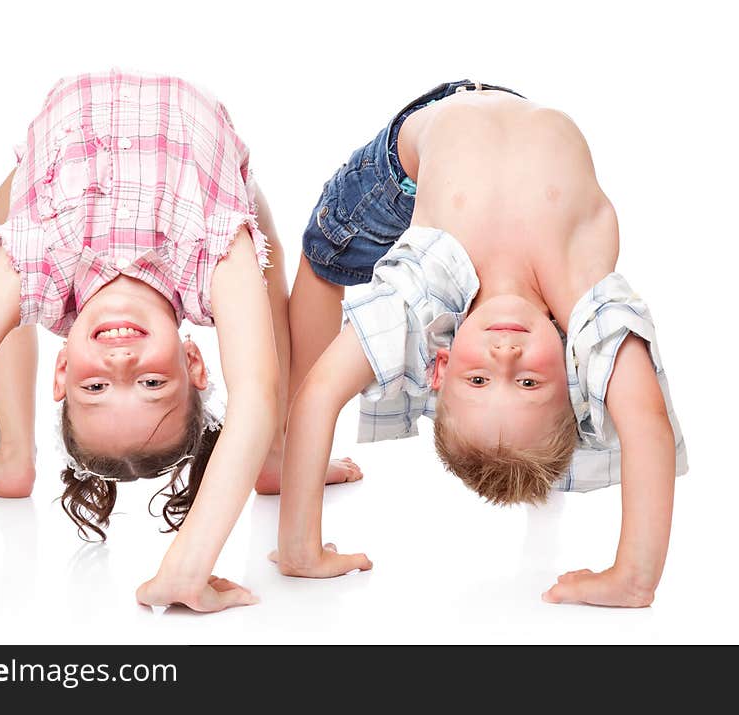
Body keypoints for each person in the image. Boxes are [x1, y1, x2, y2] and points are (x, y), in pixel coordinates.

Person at [0, 69, 333, 613]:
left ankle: (12, 452)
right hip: (197, 127)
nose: (121, 362)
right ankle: (275, 454)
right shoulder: (209, 259)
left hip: (67, 129)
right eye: (150, 381)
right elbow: (255, 397)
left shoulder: (37, 263)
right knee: (265, 260)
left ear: (63, 367)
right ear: (194, 361)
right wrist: (186, 567)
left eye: (94, 386)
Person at [272, 80, 687, 608]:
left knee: (326, 259)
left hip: (407, 164)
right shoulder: (579, 288)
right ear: (573, 373)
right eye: (529, 382)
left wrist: (299, 548)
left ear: (439, 366)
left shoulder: (423, 290)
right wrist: (635, 576)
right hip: (513, 102)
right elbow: (647, 419)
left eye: (478, 379)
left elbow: (320, 394)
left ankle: (281, 457)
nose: (504, 356)